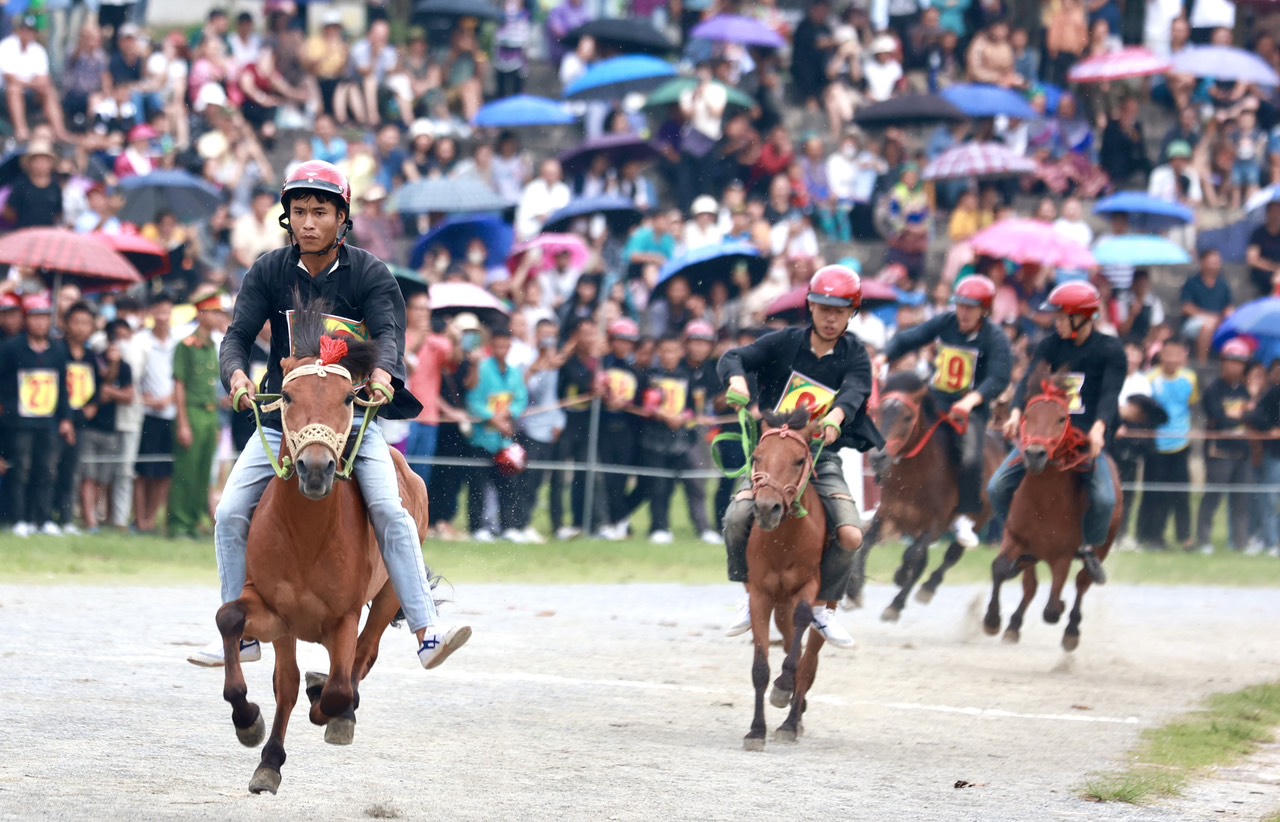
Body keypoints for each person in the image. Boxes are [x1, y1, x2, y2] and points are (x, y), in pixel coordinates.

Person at [187, 160, 469, 670]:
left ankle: (428, 630)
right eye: (299, 211)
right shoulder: (267, 271)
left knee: (390, 509)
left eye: (320, 211)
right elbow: (236, 337)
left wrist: (383, 375)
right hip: (281, 420)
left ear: (343, 218)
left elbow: (388, 337)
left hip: (351, 422)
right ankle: (239, 633)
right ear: (287, 217)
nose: (309, 222)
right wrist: (235, 375)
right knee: (228, 512)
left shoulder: (371, 273)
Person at [719, 265, 883, 649]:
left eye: (839, 310)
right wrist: (737, 379)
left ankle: (825, 607)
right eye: (823, 307)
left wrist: (836, 419)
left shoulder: (856, 356)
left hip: (820, 458)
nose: (830, 317)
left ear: (852, 313)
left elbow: (855, 392)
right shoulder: (783, 342)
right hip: (773, 458)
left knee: (850, 533)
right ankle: (749, 594)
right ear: (810, 306)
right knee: (736, 517)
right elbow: (732, 357)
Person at [989, 281, 1125, 584]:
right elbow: (1027, 382)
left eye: (1062, 317)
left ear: (1082, 318)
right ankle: (1015, 537)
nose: (1056, 322)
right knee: (996, 487)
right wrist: (1014, 413)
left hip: (1085, 441)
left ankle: (1089, 547)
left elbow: (1109, 394)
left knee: (1104, 499)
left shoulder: (1110, 350)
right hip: (1043, 436)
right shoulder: (1050, 345)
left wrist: (1100, 429)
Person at [881, 275, 1013, 549]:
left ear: (984, 310)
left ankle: (964, 513)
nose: (963, 313)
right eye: (960, 306)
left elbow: (999, 378)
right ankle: (889, 502)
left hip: (970, 410)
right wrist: (885, 355)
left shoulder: (996, 339)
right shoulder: (945, 323)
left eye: (970, 307)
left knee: (970, 454)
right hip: (934, 399)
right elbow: (911, 337)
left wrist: (972, 399)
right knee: (899, 428)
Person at [0, 293, 72, 537]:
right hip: (20, 420)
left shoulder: (58, 350)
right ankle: (21, 518)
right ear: (26, 320)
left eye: (44, 318)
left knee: (47, 469)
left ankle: (42, 518)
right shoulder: (12, 348)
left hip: (49, 421)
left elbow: (63, 387)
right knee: (22, 469)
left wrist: (65, 419)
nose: (40, 323)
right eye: (35, 318)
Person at [169, 288, 224, 539]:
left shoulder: (213, 346)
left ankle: (193, 521)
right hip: (191, 412)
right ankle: (179, 523)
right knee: (186, 471)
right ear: (200, 314)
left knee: (204, 471)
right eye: (213, 312)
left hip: (210, 414)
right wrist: (183, 423)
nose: (217, 317)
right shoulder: (186, 345)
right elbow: (179, 384)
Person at [466, 324, 529, 542]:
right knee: (478, 485)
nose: (502, 350)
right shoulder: (482, 370)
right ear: (492, 347)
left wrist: (509, 414)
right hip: (483, 438)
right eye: (498, 346)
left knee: (508, 484)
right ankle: (477, 527)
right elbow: (473, 402)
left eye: (505, 346)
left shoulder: (514, 373)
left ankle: (508, 526)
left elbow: (521, 398)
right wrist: (493, 418)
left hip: (504, 440)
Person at [1137, 336, 1198, 552]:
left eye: (1177, 354)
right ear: (1161, 355)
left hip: (1180, 444)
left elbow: (1191, 405)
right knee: (1155, 493)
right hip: (1156, 445)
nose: (1172, 359)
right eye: (1168, 354)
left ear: (1184, 356)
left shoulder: (1190, 379)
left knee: (1182, 493)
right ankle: (1153, 536)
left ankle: (1185, 537)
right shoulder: (1150, 378)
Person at [1195, 338, 1254, 554]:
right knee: (1212, 497)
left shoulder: (1246, 391)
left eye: (1239, 362)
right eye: (1230, 361)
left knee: (1241, 500)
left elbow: (1256, 417)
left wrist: (1242, 415)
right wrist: (1243, 415)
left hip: (1242, 451)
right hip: (1219, 452)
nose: (1234, 365)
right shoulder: (1213, 390)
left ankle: (1240, 543)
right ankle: (1203, 541)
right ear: (1223, 363)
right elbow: (1218, 416)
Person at [80, 321, 134, 533]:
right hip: (90, 427)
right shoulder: (94, 361)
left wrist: (110, 392)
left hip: (111, 428)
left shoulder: (126, 366)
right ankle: (90, 521)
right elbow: (101, 389)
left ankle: (97, 516)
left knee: (103, 478)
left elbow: (128, 396)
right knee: (88, 476)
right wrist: (112, 371)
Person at [134, 292, 179, 535]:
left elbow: (182, 378)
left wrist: (170, 399)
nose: (163, 317)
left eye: (167, 311)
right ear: (151, 313)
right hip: (146, 413)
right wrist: (147, 400)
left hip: (171, 413)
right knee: (143, 470)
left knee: (164, 470)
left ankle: (152, 518)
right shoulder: (140, 341)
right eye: (159, 311)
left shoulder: (178, 341)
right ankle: (140, 518)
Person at [53, 301, 98, 533]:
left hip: (81, 422)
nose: (81, 328)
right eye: (76, 322)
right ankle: (46, 517)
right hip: (57, 420)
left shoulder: (90, 355)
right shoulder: (57, 351)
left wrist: (94, 406)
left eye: (86, 323)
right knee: (50, 469)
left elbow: (96, 388)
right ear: (66, 324)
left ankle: (67, 519)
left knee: (72, 471)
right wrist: (65, 418)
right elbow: (57, 387)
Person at [1246, 200, 1280, 298]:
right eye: (1274, 211)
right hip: (1263, 273)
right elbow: (1252, 259)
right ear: (1267, 213)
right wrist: (1273, 268)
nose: (1276, 215)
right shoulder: (1258, 234)